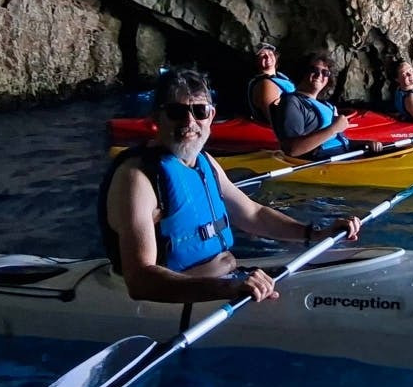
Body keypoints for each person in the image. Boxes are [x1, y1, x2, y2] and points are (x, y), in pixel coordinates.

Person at [100, 68, 361, 304]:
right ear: (157, 117)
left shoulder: (204, 162)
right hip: (188, 299)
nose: (190, 122)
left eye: (200, 111)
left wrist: (316, 233)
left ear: (211, 116)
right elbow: (140, 280)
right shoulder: (136, 178)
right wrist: (228, 289)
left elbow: (253, 214)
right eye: (177, 113)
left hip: (227, 282)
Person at [275, 53, 385, 160]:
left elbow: (338, 141)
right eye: (314, 70)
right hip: (321, 163)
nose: (319, 75)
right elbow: (292, 149)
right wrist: (333, 128)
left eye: (325, 73)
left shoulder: (326, 105)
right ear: (302, 71)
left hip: (342, 156)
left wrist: (366, 143)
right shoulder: (292, 102)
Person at [245, 42, 293, 124]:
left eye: (270, 53)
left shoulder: (282, 77)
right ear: (256, 61)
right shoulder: (265, 84)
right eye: (262, 55)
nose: (268, 57)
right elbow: (276, 121)